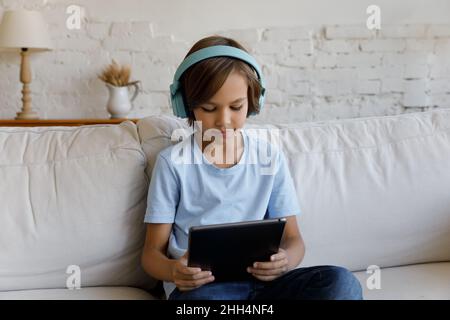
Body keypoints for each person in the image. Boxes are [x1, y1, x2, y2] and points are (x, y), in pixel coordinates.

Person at [140, 35, 363, 300]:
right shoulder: (172, 164)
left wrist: (286, 260)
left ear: (253, 102)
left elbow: (294, 240)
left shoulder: (269, 157)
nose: (224, 121)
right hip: (205, 291)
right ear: (187, 104)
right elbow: (151, 255)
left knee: (341, 282)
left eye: (236, 107)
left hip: (267, 286)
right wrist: (174, 270)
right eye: (210, 108)